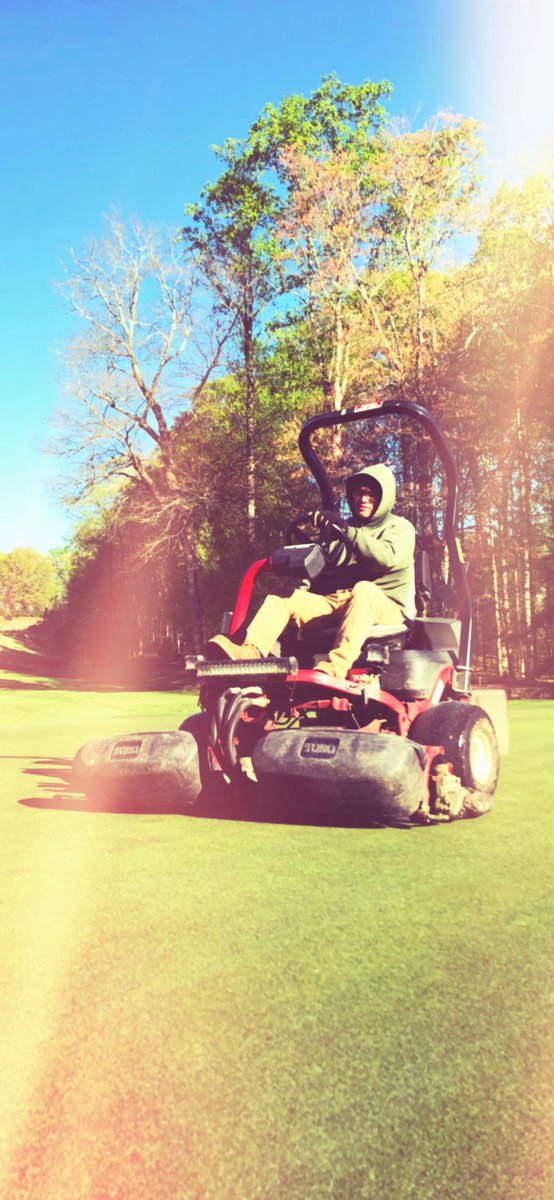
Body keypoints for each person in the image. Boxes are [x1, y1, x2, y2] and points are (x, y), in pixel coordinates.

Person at [207, 464, 416, 679]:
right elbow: (323, 571)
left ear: (385, 497)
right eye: (359, 493)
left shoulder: (399, 527)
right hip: (339, 602)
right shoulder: (343, 529)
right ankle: (251, 650)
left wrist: (347, 531)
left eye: (371, 494)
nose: (364, 499)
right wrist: (307, 579)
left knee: (364, 590)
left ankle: (335, 668)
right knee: (284, 596)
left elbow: (386, 558)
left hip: (386, 608)